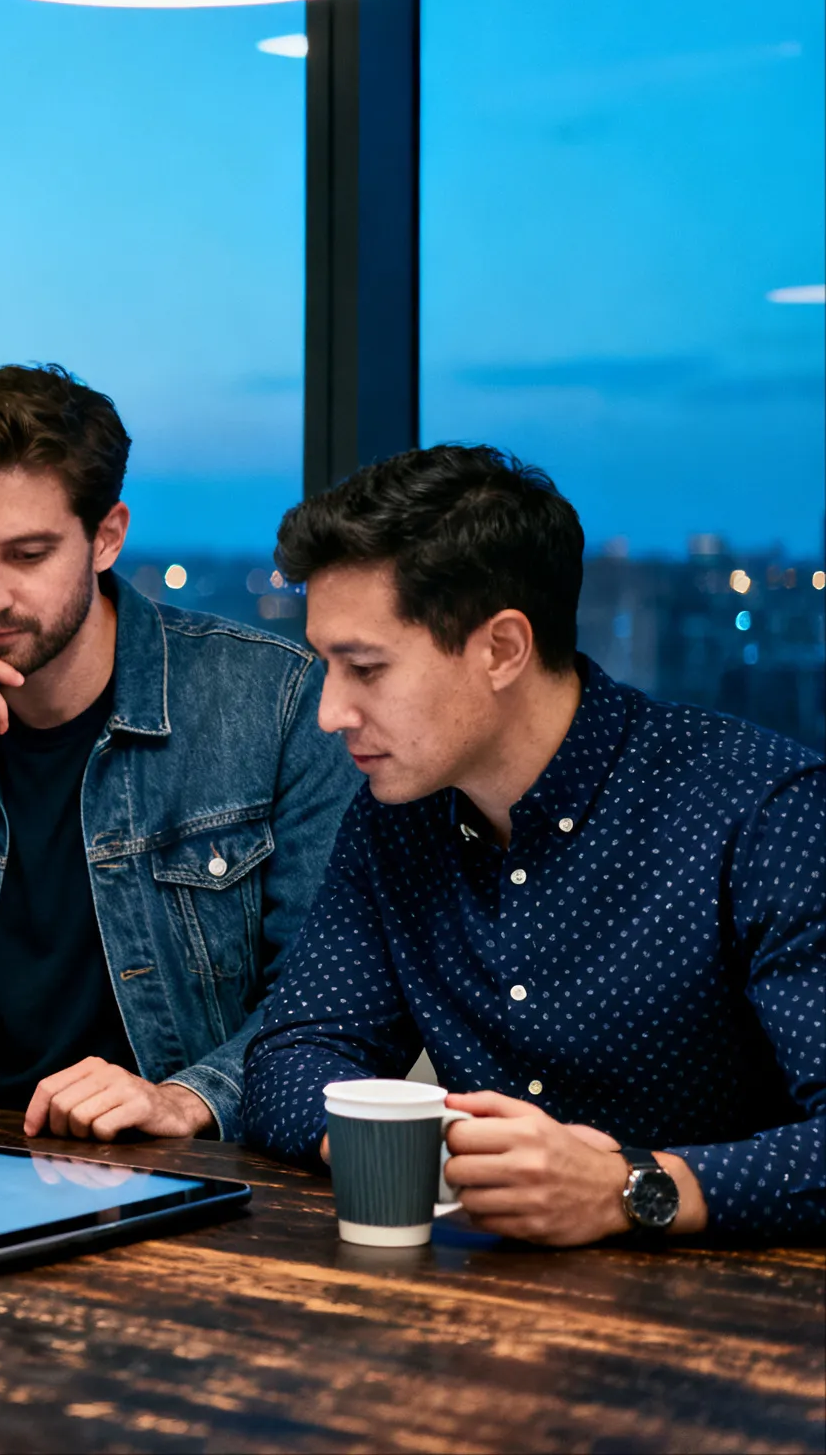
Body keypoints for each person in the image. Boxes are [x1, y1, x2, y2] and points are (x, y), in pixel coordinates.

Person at [246, 445, 824, 1245]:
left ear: (503, 650)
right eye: (326, 666)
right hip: (480, 1305)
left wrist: (633, 1185)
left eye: (366, 669)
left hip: (740, 1326)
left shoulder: (761, 811)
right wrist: (454, 1155)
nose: (331, 713)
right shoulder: (395, 819)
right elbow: (291, 1060)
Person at [0, 364, 354, 1143]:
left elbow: (324, 1008)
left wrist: (186, 1099)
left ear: (106, 537)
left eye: (27, 555)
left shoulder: (275, 703)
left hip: (191, 1173)